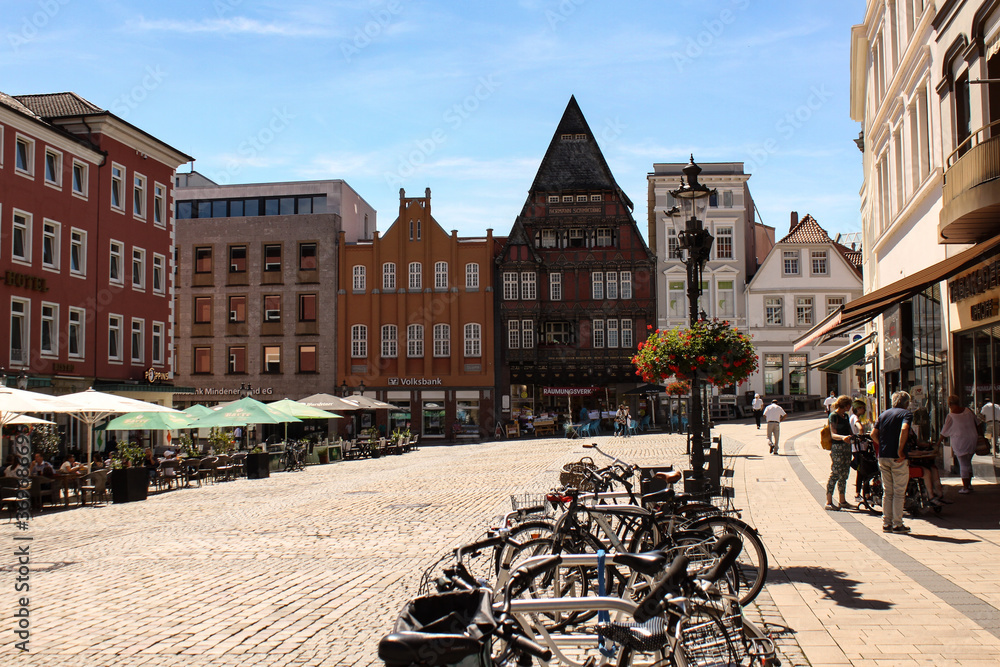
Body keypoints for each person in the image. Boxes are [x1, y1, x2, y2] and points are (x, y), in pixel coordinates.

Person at [871, 390, 913, 534]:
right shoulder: (906, 414)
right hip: (897, 458)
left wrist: (882, 446)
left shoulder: (883, 414)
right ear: (906, 403)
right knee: (899, 492)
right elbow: (905, 428)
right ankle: (897, 524)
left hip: (883, 456)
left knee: (888, 491)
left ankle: (886, 523)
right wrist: (900, 450)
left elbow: (873, 434)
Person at [936, 395, 981, 494]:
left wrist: (938, 443)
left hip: (960, 441)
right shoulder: (968, 411)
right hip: (972, 439)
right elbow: (978, 423)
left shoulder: (950, 416)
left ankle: (965, 487)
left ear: (949, 404)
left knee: (963, 464)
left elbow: (944, 432)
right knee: (968, 462)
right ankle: (969, 484)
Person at [825, 396, 854, 510]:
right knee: (836, 472)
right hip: (837, 447)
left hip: (847, 447)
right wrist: (843, 438)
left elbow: (850, 431)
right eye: (849, 405)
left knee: (844, 474)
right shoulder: (833, 416)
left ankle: (842, 500)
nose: (850, 407)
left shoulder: (845, 416)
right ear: (845, 405)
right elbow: (833, 434)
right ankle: (828, 501)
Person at [850, 400, 870, 503]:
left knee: (860, 472)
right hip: (859, 448)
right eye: (863, 408)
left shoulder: (852, 417)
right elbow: (860, 428)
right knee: (864, 471)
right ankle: (864, 494)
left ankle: (859, 493)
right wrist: (862, 435)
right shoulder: (855, 418)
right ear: (858, 408)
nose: (864, 410)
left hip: (856, 448)